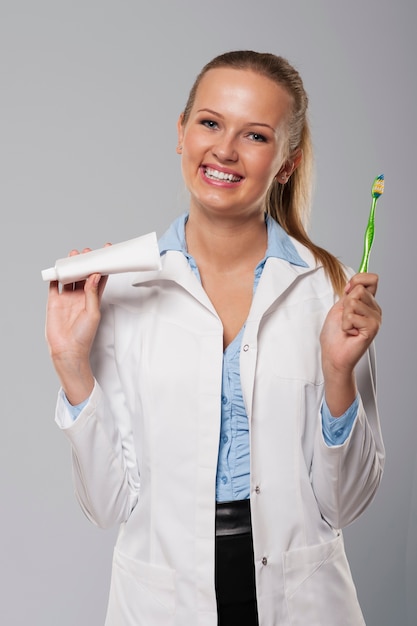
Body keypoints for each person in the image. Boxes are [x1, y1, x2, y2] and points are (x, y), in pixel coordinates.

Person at [45, 50, 384, 626]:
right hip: (160, 600)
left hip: (302, 599)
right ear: (181, 134)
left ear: (285, 163)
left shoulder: (334, 291)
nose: (224, 150)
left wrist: (336, 375)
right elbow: (107, 507)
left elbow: (345, 503)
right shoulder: (118, 290)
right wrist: (72, 364)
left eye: (254, 135)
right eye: (209, 123)